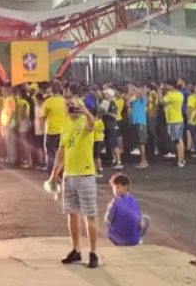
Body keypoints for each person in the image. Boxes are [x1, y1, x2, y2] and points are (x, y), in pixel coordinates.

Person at [50, 93, 99, 269]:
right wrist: (54, 174)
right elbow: (61, 153)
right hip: (69, 175)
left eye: (75, 105)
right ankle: (75, 249)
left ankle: (93, 252)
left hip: (85, 174)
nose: (72, 108)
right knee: (72, 214)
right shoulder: (65, 126)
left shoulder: (84, 122)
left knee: (90, 215)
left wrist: (86, 112)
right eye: (69, 105)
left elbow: (92, 124)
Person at [104, 173, 150, 247]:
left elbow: (107, 220)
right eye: (114, 187)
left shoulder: (114, 202)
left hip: (115, 238)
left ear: (126, 187)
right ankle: (139, 238)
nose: (115, 190)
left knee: (110, 217)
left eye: (118, 187)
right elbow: (139, 220)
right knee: (146, 219)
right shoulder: (134, 200)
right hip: (133, 240)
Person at [161, 82, 186, 167]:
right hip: (178, 119)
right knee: (180, 140)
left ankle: (180, 160)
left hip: (174, 120)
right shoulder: (179, 94)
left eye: (167, 85)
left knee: (177, 141)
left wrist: (159, 91)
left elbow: (162, 101)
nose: (165, 86)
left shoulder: (173, 96)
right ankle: (182, 158)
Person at [127, 85, 149, 169]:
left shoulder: (142, 100)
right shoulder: (134, 101)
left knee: (141, 143)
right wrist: (130, 90)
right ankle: (144, 161)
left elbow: (142, 93)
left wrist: (134, 88)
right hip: (136, 122)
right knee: (139, 144)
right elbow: (128, 100)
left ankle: (143, 161)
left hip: (141, 123)